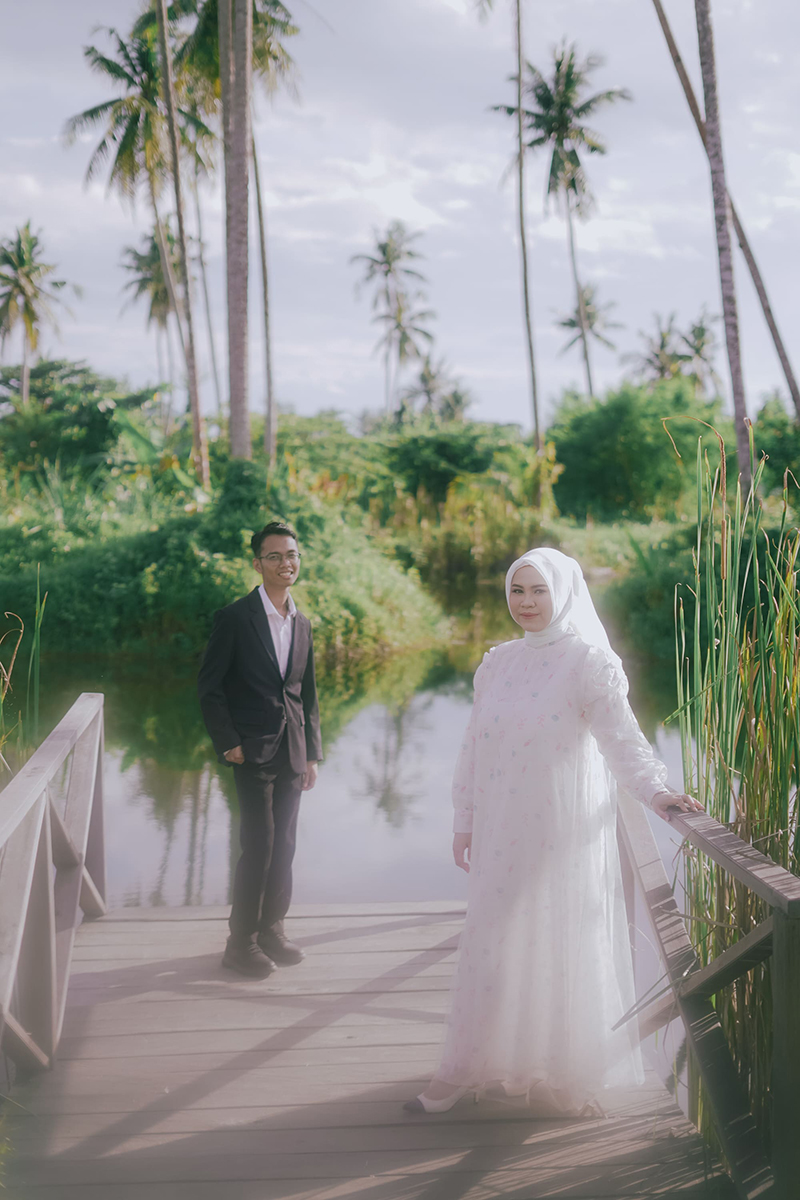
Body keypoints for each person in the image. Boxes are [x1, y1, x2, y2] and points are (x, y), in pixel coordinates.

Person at [406, 547, 703, 1115]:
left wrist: (657, 792)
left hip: (558, 833)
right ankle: (465, 1067)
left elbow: (621, 742)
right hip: (499, 832)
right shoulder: (498, 662)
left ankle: (564, 1075)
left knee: (555, 944)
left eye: (539, 590)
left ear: (563, 593)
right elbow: (473, 747)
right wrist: (464, 818)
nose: (526, 602)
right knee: (492, 943)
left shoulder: (589, 663)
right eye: (517, 591)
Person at [198, 521, 323, 978]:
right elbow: (209, 687)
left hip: (293, 751)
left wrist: (312, 753)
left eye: (292, 555)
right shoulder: (235, 618)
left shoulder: (302, 622)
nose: (285, 563)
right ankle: (240, 943)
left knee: (285, 844)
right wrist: (228, 741)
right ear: (257, 564)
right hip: (251, 752)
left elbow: (306, 693)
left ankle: (272, 929)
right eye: (274, 556)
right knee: (259, 845)